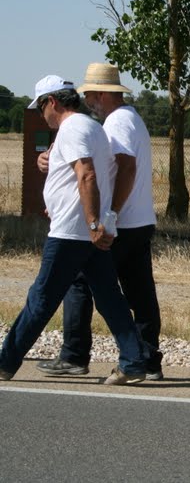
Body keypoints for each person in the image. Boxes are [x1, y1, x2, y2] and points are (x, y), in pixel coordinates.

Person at [0, 75, 147, 385]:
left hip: (71, 232)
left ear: (52, 102)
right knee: (110, 299)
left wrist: (92, 222)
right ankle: (133, 363)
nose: (42, 115)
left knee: (40, 299)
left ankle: (5, 362)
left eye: (41, 108)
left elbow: (87, 175)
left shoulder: (72, 129)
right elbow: (84, 177)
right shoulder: (92, 127)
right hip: (88, 231)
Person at [35, 63, 163, 380]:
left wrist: (109, 214)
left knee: (79, 280)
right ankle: (148, 359)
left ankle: (74, 354)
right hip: (139, 219)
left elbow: (125, 168)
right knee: (140, 292)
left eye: (90, 94)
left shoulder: (117, 122)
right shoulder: (132, 118)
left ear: (102, 94)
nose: (87, 101)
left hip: (121, 222)